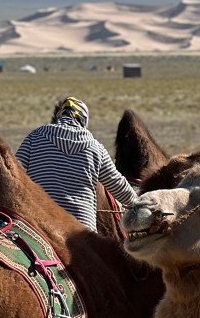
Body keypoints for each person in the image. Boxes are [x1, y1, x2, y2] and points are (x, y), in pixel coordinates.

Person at [16, 95, 139, 232]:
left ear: (59, 117)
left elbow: (15, 172)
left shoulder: (35, 137)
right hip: (82, 230)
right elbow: (116, 183)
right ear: (83, 121)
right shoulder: (95, 147)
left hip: (40, 224)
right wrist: (137, 203)